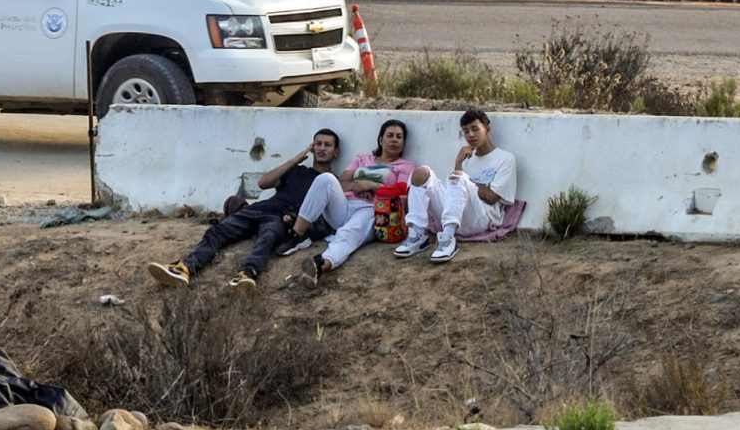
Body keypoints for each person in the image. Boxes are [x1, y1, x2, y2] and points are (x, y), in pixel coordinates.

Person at [146, 129, 341, 292]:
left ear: (336, 152)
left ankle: (247, 275)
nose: (321, 149)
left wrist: (296, 221)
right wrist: (295, 159)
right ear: (312, 147)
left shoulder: (331, 185)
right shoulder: (298, 171)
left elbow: (325, 219)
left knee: (268, 238)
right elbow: (263, 183)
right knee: (219, 231)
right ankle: (185, 268)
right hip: (262, 208)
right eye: (318, 144)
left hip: (281, 219)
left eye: (327, 145)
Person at [272, 118, 416, 287]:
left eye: (399, 137)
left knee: (348, 233)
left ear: (404, 142)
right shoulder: (362, 159)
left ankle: (321, 264)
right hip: (344, 206)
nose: (394, 140)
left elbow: (402, 199)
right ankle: (298, 235)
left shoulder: (405, 166)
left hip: (373, 210)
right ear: (380, 139)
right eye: (390, 135)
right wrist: (356, 186)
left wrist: (371, 186)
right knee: (326, 179)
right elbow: (340, 184)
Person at [393, 108, 517, 263]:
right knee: (420, 173)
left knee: (457, 177)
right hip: (456, 218)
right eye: (465, 131)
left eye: (475, 129)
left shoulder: (505, 159)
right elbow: (457, 193)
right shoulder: (467, 159)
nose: (470, 135)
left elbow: (491, 197)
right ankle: (418, 234)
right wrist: (458, 163)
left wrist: (464, 179)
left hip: (482, 218)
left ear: (487, 129)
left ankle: (447, 239)